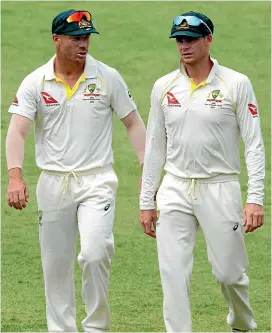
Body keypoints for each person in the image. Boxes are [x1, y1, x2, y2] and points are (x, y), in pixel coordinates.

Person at [6, 9, 146, 333]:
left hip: (97, 180)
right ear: (56, 39)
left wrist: (146, 170)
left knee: (96, 253)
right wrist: (15, 175)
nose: (84, 44)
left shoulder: (107, 77)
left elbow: (134, 123)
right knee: (55, 267)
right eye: (76, 38)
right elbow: (17, 131)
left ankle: (96, 327)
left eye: (86, 37)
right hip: (53, 184)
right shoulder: (36, 82)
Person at [140, 10, 265, 333]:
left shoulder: (236, 84)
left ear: (208, 39)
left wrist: (255, 199)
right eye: (180, 41)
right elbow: (155, 145)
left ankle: (241, 323)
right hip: (175, 187)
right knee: (173, 273)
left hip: (220, 187)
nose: (184, 46)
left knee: (229, 273)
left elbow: (254, 144)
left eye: (191, 40)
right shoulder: (164, 86)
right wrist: (146, 200)